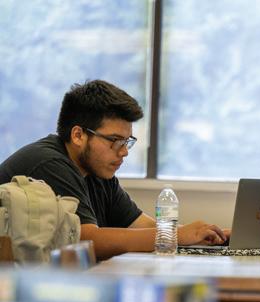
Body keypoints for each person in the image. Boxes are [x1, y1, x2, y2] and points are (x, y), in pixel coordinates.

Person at [0, 79, 227, 260]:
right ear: (78, 135)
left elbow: (140, 225)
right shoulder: (49, 164)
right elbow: (87, 240)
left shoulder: (98, 171)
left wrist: (210, 235)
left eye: (127, 142)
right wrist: (175, 235)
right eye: (115, 140)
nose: (124, 152)